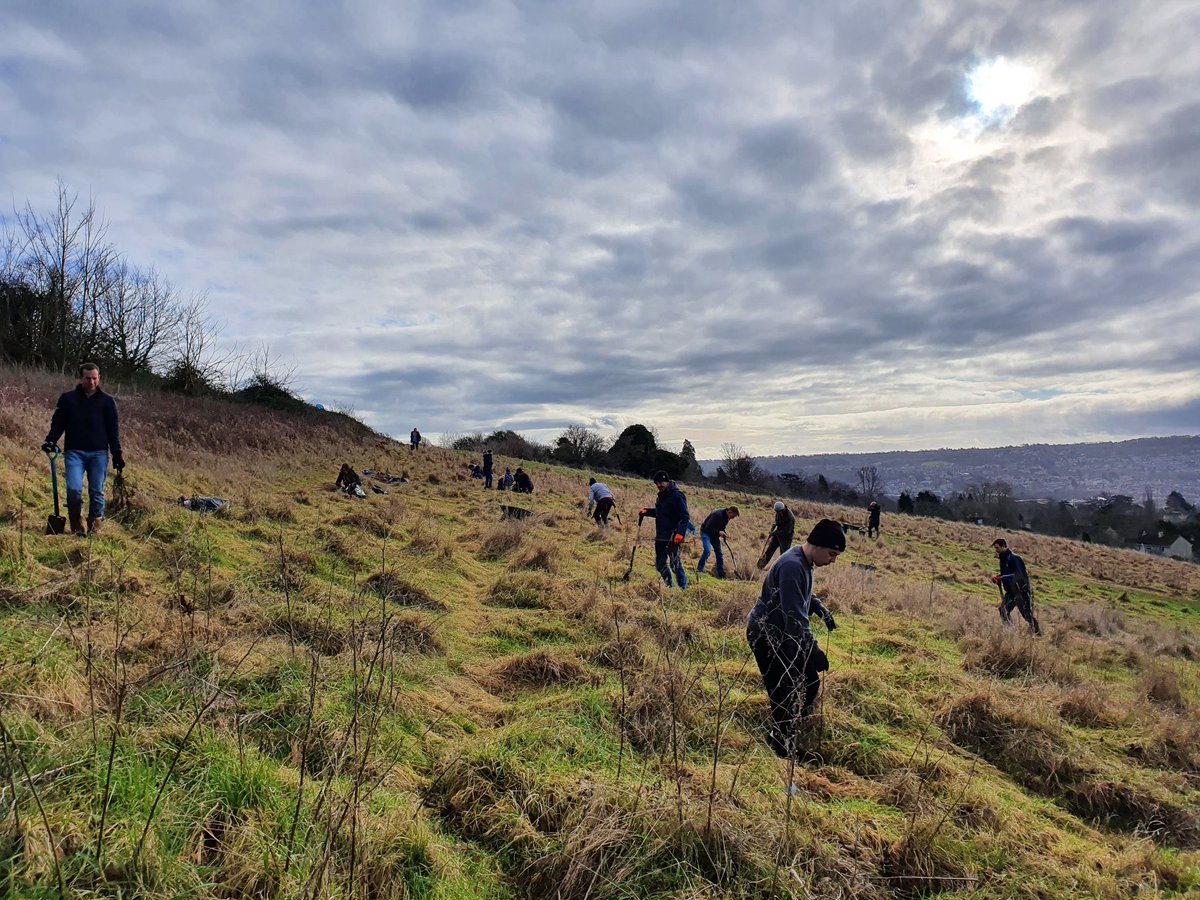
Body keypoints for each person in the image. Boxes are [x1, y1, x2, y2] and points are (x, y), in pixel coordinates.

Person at [747, 519, 843, 759]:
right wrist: (814, 650)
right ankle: (781, 746)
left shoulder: (804, 560)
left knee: (810, 682)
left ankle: (791, 728)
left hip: (784, 635)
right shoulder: (792, 566)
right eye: (832, 553)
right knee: (784, 691)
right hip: (767, 634)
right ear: (819, 545)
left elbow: (801, 596)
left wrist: (820, 608)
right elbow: (795, 620)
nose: (833, 560)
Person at [42, 363, 123, 536]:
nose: (92, 382)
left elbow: (113, 430)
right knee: (73, 490)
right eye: (88, 378)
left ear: (99, 378)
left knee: (96, 491)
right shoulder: (68, 399)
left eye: (95, 378)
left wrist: (117, 453)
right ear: (81, 378)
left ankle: (94, 528)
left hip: (99, 453)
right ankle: (77, 528)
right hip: (74, 453)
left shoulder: (107, 402)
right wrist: (51, 440)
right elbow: (58, 423)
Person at [638, 470, 690, 589]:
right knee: (660, 564)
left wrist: (680, 534)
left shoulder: (677, 496)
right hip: (660, 535)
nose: (659, 485)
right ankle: (669, 586)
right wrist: (647, 511)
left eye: (661, 482)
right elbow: (661, 513)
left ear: (667, 481)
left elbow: (685, 516)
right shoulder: (661, 497)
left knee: (675, 564)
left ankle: (684, 588)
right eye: (657, 483)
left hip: (673, 536)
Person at [991, 538, 1040, 634]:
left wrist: (1002, 577)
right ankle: (1011, 631)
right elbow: (1006, 574)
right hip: (1011, 591)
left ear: (1004, 546)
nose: (996, 550)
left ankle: (1037, 633)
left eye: (997, 547)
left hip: (1021, 591)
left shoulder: (1014, 558)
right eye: (995, 548)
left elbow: (1018, 575)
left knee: (1027, 615)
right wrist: (999, 578)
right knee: (1003, 610)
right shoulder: (1003, 558)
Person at [698, 506, 740, 577]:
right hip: (706, 533)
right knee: (707, 551)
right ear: (730, 512)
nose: (733, 518)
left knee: (720, 554)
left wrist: (724, 532)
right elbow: (708, 527)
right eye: (733, 516)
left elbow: (722, 527)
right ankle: (699, 570)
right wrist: (719, 533)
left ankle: (721, 574)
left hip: (714, 536)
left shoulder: (727, 517)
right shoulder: (717, 514)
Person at [758, 501, 796, 568]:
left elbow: (787, 532)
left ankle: (783, 569)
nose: (778, 513)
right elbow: (777, 522)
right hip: (777, 535)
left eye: (779, 512)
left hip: (786, 538)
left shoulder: (790, 517)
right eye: (777, 512)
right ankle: (760, 566)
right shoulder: (778, 513)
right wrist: (774, 527)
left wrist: (775, 533)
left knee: (784, 555)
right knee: (769, 550)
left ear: (783, 509)